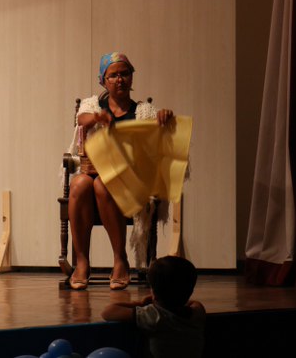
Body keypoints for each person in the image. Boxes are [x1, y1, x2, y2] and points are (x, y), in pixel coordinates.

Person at [66, 52, 174, 290]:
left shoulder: (143, 111)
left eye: (124, 74)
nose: (120, 80)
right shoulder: (93, 105)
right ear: (103, 81)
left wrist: (164, 119)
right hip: (94, 172)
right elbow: (82, 119)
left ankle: (120, 259)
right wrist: (98, 118)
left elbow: (159, 143)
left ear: (131, 77)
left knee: (103, 183)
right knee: (79, 183)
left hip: (129, 179)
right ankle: (82, 262)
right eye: (113, 75)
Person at [101, 256, 206, 358]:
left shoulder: (154, 316)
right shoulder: (197, 314)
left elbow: (107, 312)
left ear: (154, 294)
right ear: (190, 291)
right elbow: (196, 303)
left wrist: (139, 303)